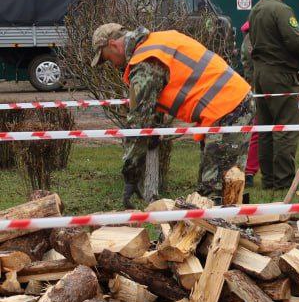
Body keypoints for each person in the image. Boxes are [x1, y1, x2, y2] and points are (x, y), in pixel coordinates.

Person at [90, 23, 251, 204]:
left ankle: (228, 228)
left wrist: (131, 175)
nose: (112, 64)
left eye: (107, 58)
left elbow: (138, 123)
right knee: (215, 183)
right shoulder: (156, 42)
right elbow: (154, 103)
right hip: (226, 104)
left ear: (113, 45)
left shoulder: (145, 62)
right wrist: (154, 128)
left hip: (229, 106)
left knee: (218, 188)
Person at [248, 0, 299, 191]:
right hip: (281, 75)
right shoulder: (281, 10)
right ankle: (284, 182)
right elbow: (295, 39)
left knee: (265, 128)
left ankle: (269, 180)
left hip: (260, 74)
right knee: (285, 128)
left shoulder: (255, 9)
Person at [237, 19, 259, 188]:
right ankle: (249, 171)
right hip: (256, 87)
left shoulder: (248, 37)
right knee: (256, 131)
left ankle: (249, 170)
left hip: (252, 85)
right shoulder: (253, 37)